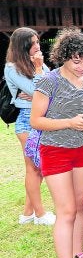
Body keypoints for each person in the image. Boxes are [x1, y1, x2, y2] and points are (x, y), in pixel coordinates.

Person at [30, 27, 83, 258]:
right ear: (63, 56)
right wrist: (69, 122)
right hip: (55, 150)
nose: (82, 66)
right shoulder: (48, 82)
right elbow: (36, 120)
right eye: (77, 61)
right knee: (66, 210)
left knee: (80, 206)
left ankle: (77, 254)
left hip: (82, 149)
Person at [4, 27, 55, 226]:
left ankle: (27, 213)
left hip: (42, 116)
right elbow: (40, 90)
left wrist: (39, 77)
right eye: (32, 43)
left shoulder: (35, 64)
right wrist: (40, 72)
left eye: (37, 41)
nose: (37, 45)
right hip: (26, 119)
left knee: (37, 168)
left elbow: (51, 86)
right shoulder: (12, 68)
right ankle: (40, 215)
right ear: (22, 46)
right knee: (34, 168)